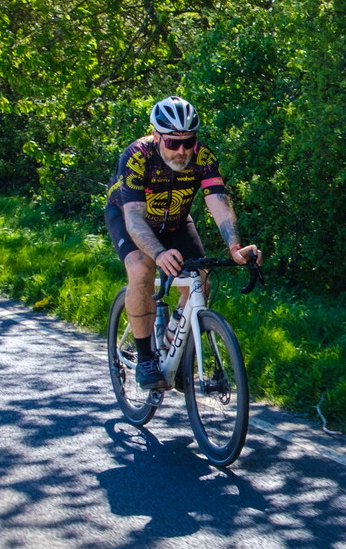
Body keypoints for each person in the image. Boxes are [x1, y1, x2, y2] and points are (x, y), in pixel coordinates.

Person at [104, 95, 261, 389]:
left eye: (188, 142)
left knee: (201, 278)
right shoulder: (137, 156)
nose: (182, 151)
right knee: (141, 269)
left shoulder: (203, 158)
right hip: (129, 218)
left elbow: (219, 204)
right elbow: (135, 220)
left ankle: (175, 341)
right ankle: (146, 357)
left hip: (175, 220)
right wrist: (159, 253)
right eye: (173, 143)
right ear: (156, 136)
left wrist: (235, 247)